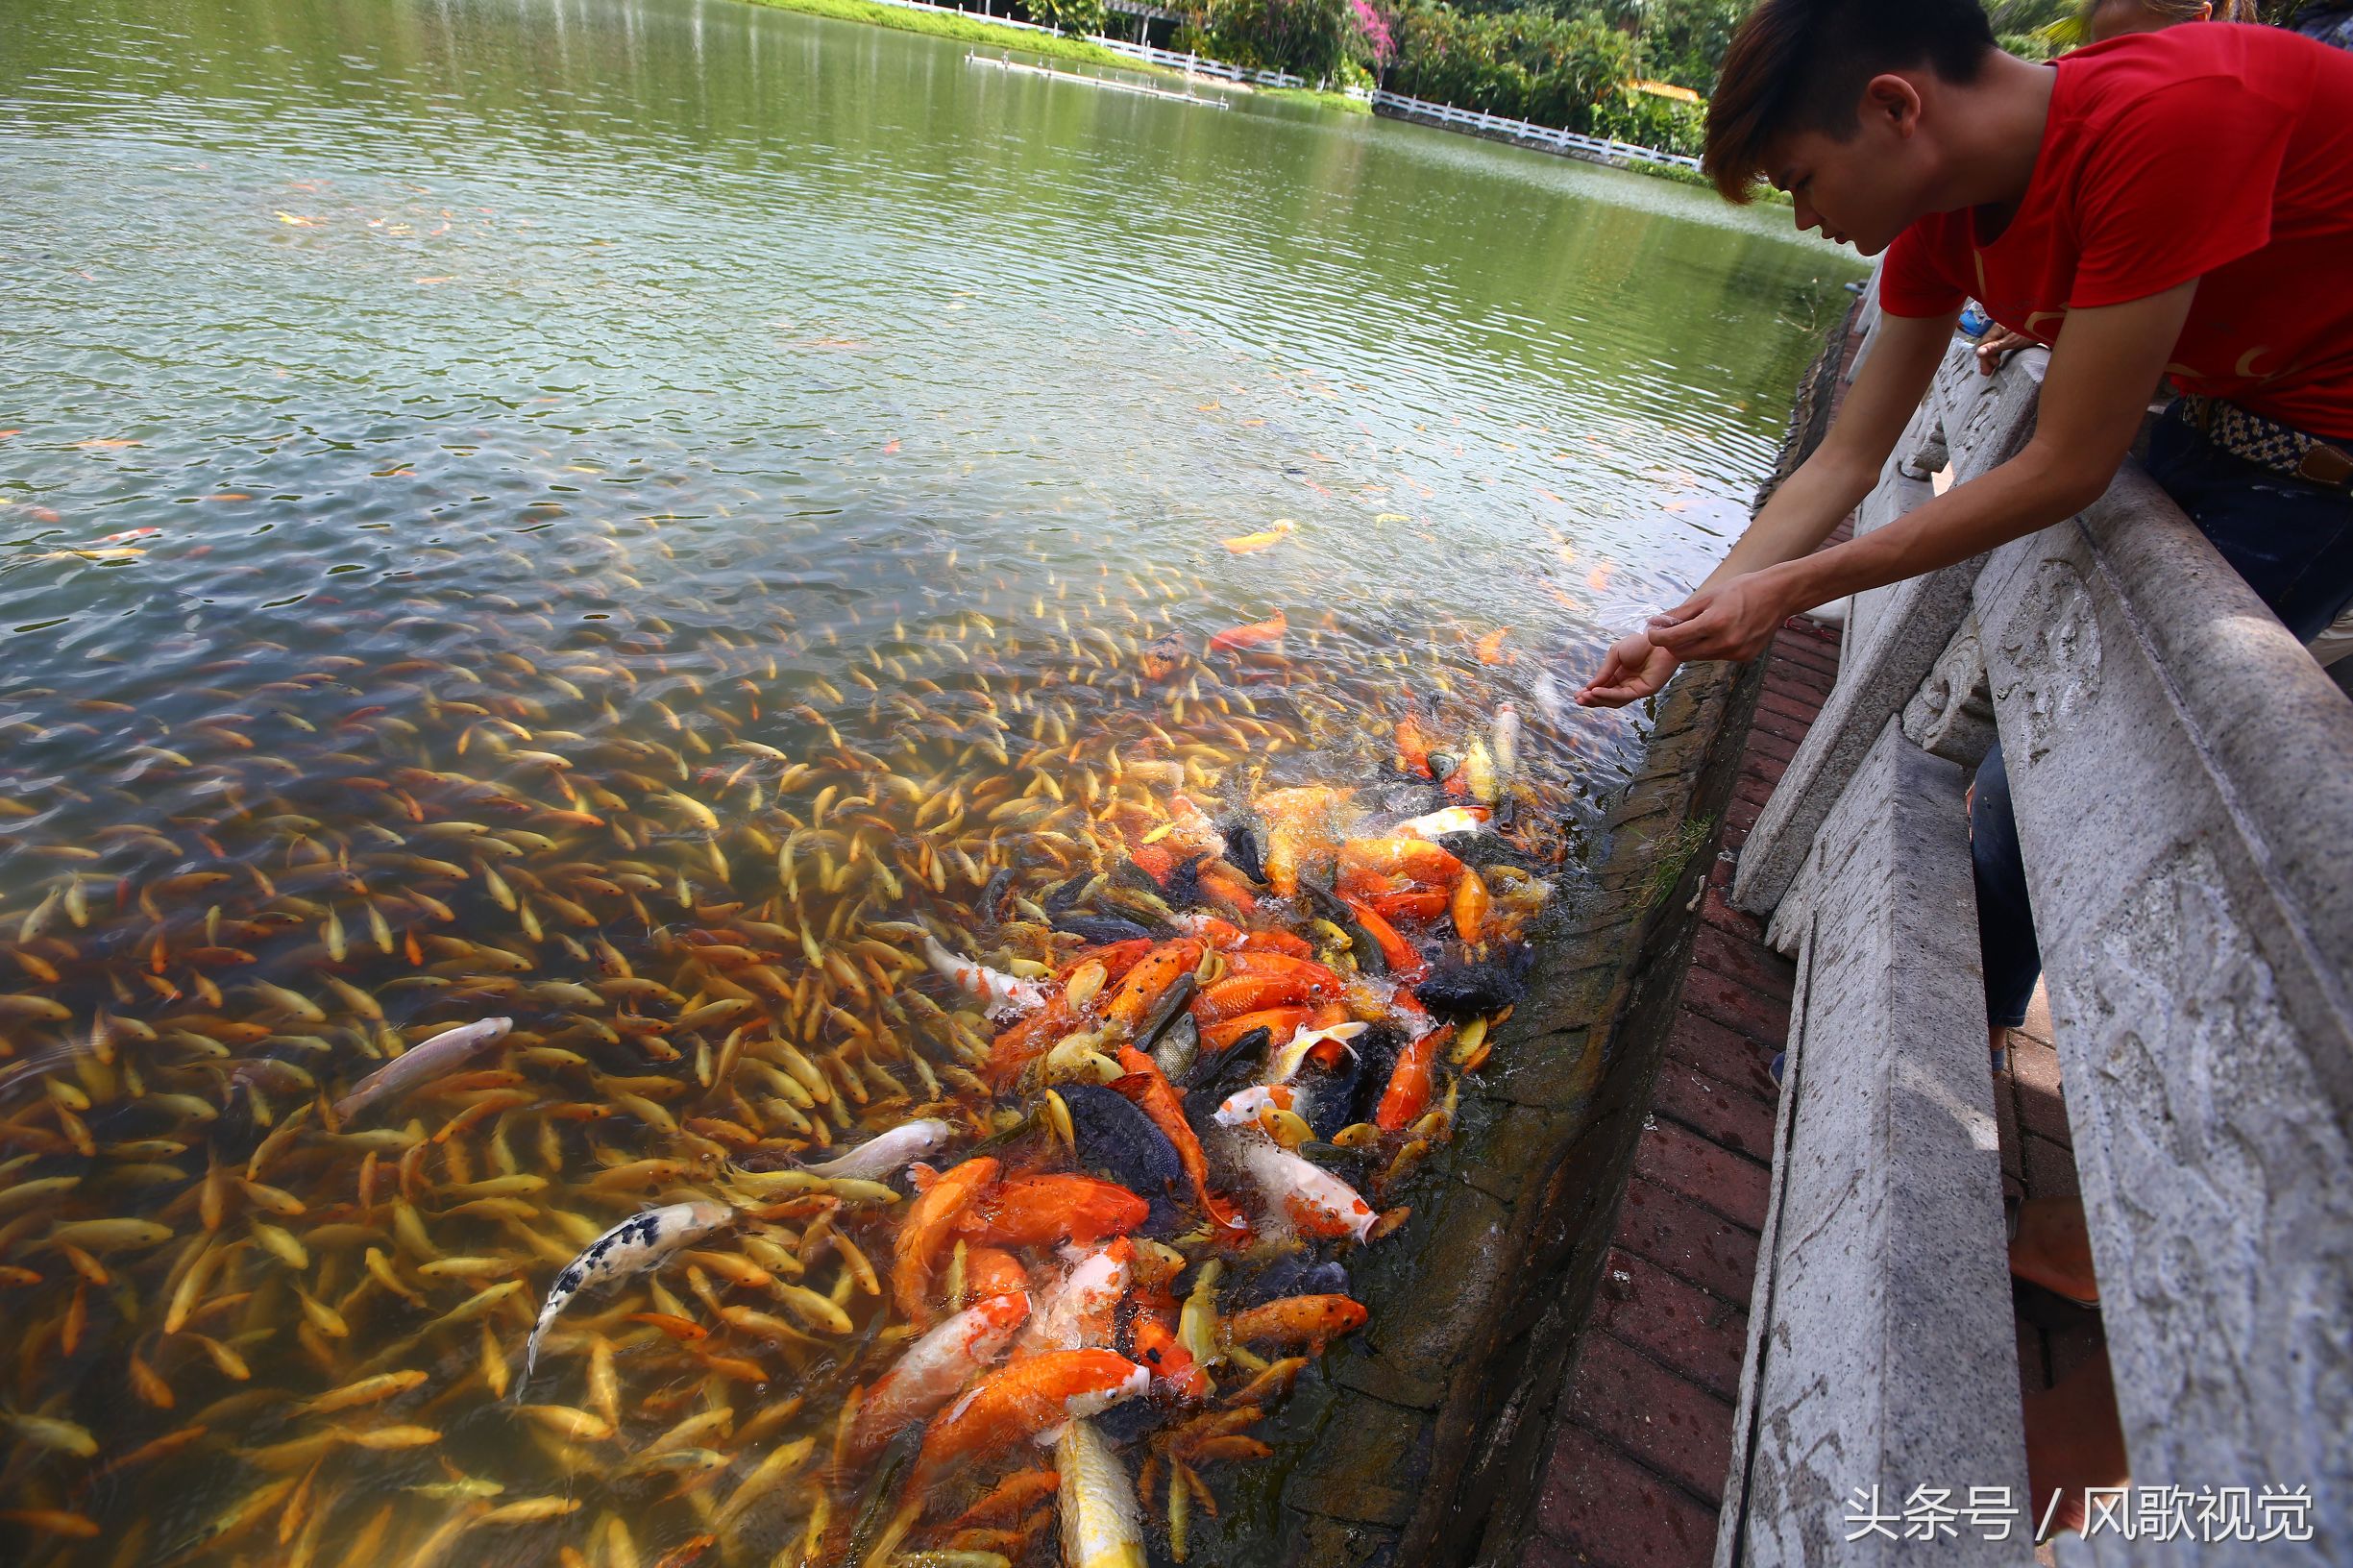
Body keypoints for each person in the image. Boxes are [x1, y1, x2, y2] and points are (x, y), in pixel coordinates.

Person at [1574, 0, 2353, 1533]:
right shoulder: (1943, 221)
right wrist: (1688, 618)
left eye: (1800, 181)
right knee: (2018, 750)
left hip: (2314, 461)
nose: (1811, 221)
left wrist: (1786, 596)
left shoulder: (2168, 117)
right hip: (2205, 410)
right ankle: (1969, 1080)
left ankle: (2079, 1196)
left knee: (2093, 797)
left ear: (1890, 109)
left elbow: (2061, 464)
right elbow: (1843, 463)